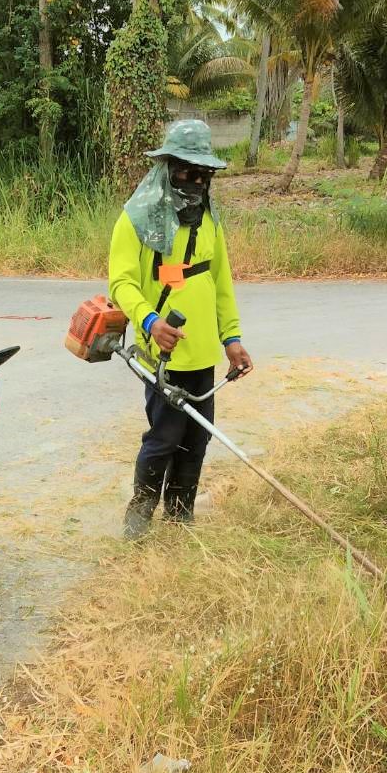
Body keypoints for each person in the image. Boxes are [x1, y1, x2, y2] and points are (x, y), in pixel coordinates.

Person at [109, 118, 252, 539]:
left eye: (204, 175)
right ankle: (139, 514)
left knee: (197, 438)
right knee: (164, 436)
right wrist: (150, 322)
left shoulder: (209, 219)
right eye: (187, 172)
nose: (196, 181)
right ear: (167, 168)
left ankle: (180, 514)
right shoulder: (135, 219)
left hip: (204, 350)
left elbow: (220, 282)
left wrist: (233, 338)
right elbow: (121, 282)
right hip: (163, 353)